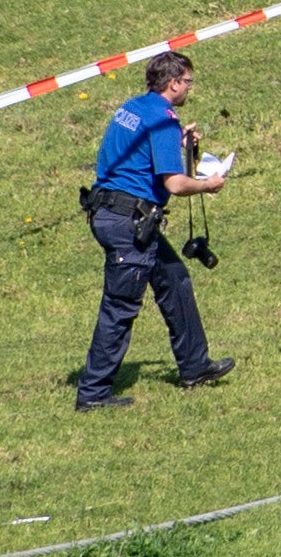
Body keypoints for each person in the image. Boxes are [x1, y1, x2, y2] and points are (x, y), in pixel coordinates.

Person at [75, 50, 234, 410]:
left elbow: (137, 154)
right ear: (173, 82)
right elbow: (175, 184)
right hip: (129, 224)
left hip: (111, 212)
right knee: (120, 306)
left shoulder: (133, 108)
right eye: (188, 81)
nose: (190, 88)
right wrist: (208, 185)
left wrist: (176, 141)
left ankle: (195, 366)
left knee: (174, 279)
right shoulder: (163, 120)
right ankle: (93, 393)